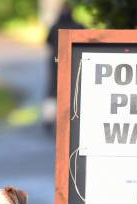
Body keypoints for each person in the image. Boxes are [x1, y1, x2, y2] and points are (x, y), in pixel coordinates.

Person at [43, 4, 84, 133]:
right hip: (75, 61)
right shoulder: (79, 27)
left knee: (53, 89)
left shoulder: (55, 27)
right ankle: (73, 118)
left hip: (56, 61)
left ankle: (49, 119)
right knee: (75, 88)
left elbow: (47, 42)